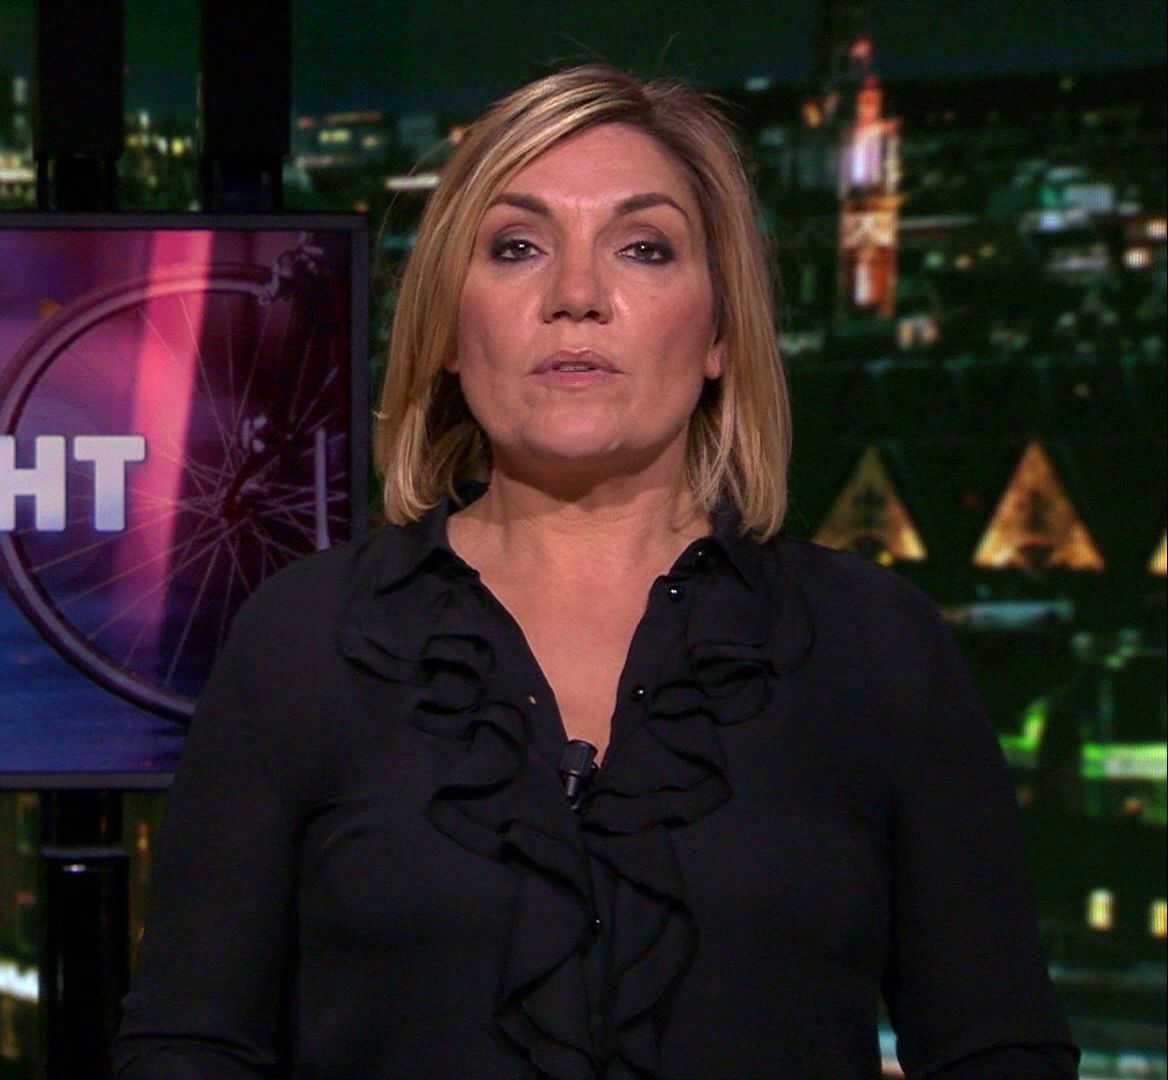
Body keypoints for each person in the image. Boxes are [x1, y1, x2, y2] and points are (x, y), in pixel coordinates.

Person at [111, 62, 1079, 1079]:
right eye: (517, 247)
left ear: (720, 330)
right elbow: (190, 1045)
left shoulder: (875, 643)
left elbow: (998, 1048)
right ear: (447, 327)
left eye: (644, 248)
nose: (576, 296)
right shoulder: (303, 638)